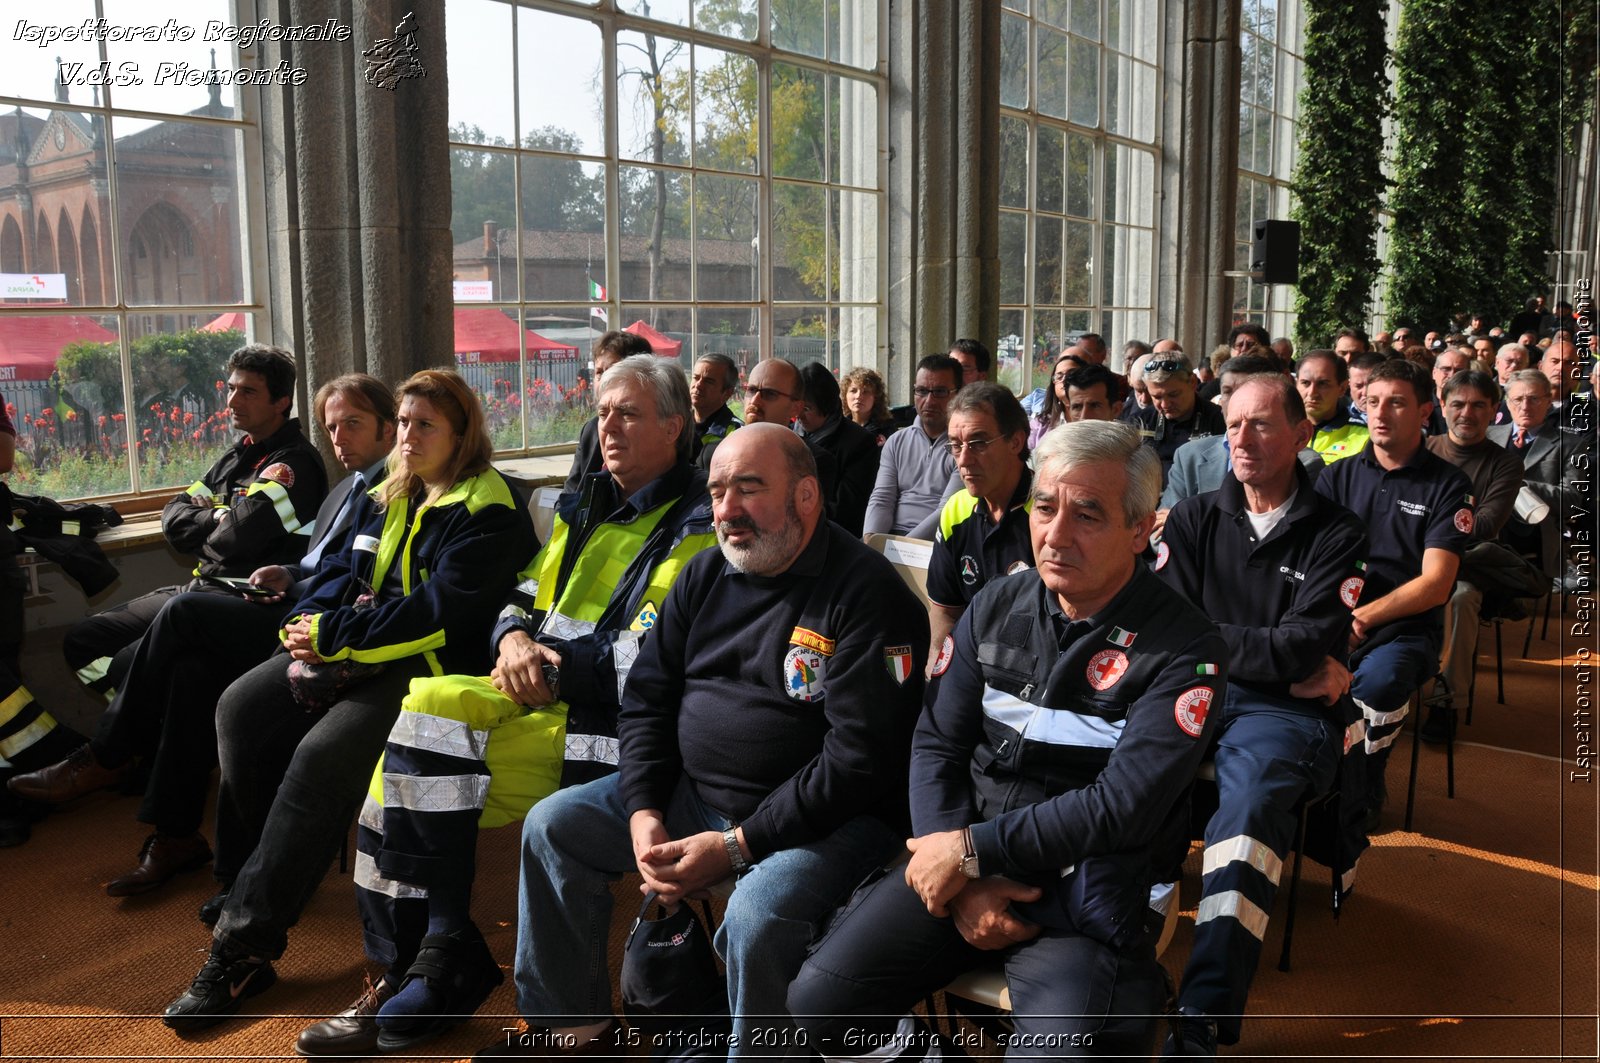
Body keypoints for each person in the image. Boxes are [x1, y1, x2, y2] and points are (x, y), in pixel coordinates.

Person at [293, 356, 720, 1057]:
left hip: (608, 732)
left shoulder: (699, 525)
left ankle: (435, 961)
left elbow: (659, 660)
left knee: (409, 769)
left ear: (674, 428)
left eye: (629, 414)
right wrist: (515, 635)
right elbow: (522, 593)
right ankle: (422, 957)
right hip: (538, 698)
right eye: (603, 412)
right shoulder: (585, 501)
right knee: (422, 712)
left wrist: (549, 667)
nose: (607, 426)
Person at [475, 423, 928, 1060]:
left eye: (749, 488)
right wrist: (643, 811)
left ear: (806, 497)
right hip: (696, 798)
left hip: (830, 823)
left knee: (756, 917)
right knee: (555, 826)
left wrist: (737, 847)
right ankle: (573, 1032)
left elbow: (859, 762)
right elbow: (648, 701)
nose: (727, 510)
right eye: (717, 491)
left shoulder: (867, 594)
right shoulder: (705, 574)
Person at [787, 420, 1228, 1062]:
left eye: (1088, 515)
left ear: (1141, 529)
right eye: (1045, 508)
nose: (1055, 534)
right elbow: (936, 742)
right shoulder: (996, 603)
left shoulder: (1186, 649)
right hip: (965, 864)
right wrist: (962, 874)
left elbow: (1121, 807)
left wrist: (968, 852)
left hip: (1084, 892)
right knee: (817, 1007)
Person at [160, 369, 536, 1031]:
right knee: (240, 709)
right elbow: (335, 574)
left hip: (425, 673)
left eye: (427, 426)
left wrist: (332, 638)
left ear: (461, 434)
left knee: (320, 759)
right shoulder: (391, 490)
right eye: (408, 423)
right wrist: (298, 628)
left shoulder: (490, 507)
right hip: (352, 651)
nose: (410, 437)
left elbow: (435, 617)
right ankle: (261, 872)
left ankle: (244, 945)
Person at [10, 375, 397, 898]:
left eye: (352, 424)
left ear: (389, 428)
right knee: (188, 673)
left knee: (184, 614)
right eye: (332, 426)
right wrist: (287, 571)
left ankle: (109, 754)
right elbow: (188, 517)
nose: (338, 437)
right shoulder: (340, 488)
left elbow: (352, 578)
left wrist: (291, 583)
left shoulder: (379, 489)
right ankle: (175, 837)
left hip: (308, 625)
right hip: (273, 596)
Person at [1154, 374, 1368, 1056]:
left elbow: (1302, 646)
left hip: (1284, 716)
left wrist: (1224, 642)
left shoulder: (1338, 530)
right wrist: (1270, 650)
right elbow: (1170, 632)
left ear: (1303, 433)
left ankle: (1202, 1021)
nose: (1241, 440)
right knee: (1112, 768)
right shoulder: (1193, 518)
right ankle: (1106, 970)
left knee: (1245, 816)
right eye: (1232, 424)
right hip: (1201, 692)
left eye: (1261, 424)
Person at [62, 344, 328, 703]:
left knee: (128, 664)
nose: (232, 401)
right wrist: (217, 517)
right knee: (83, 640)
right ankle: (136, 724)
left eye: (248, 392)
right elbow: (173, 517)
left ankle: (129, 733)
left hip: (241, 597)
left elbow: (233, 541)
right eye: (231, 389)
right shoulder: (237, 457)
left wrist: (209, 523)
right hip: (200, 585)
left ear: (281, 402)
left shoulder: (290, 465)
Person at [1315, 359, 1473, 830]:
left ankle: (1361, 781)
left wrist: (1361, 619)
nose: (1380, 412)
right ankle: (1316, 778)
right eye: (1372, 401)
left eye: (1397, 402)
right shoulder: (1335, 477)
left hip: (1404, 630)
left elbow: (1436, 584)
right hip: (1329, 620)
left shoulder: (1448, 485)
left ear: (1425, 411)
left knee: (1378, 683)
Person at [1421, 370, 1524, 742]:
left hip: (1463, 565)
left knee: (1461, 598)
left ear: (1494, 410)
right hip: (1406, 558)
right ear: (1441, 406)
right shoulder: (1422, 450)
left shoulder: (1506, 464)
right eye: (1458, 404)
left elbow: (1485, 525)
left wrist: (1422, 522)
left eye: (1479, 405)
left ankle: (1446, 700)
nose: (1467, 413)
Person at [926, 383, 1032, 673]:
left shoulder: (1050, 514)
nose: (963, 459)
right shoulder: (956, 510)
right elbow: (945, 611)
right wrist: (940, 675)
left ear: (1016, 441)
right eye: (955, 445)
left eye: (978, 443)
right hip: (969, 666)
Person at [1489, 370, 1589, 587]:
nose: (1525, 406)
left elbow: (1572, 499)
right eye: (1518, 399)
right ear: (1507, 402)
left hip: (1535, 529)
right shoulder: (1488, 436)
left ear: (1548, 402)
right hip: (1487, 523)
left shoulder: (1571, 445)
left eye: (1533, 399)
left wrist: (1519, 486)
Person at [863, 354, 961, 538]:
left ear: (958, 394)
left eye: (940, 392)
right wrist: (872, 541)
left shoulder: (965, 447)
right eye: (922, 391)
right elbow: (882, 499)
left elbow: (946, 511)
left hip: (936, 542)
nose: (929, 401)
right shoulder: (896, 441)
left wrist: (901, 551)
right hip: (891, 539)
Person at [796, 361, 881, 536]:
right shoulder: (789, 435)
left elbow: (846, 510)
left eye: (806, 408)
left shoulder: (859, 443)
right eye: (797, 406)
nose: (799, 415)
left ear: (826, 406)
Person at [561, 330, 653, 493]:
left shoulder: (655, 427)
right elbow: (570, 493)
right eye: (599, 373)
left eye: (611, 371)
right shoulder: (591, 430)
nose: (603, 380)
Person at [1133, 354, 1226, 484]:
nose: (1165, 405)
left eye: (1173, 395)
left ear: (1193, 382)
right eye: (1157, 397)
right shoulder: (1141, 422)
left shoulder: (1218, 420)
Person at [1294, 349, 1370, 463]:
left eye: (1323, 384)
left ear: (1342, 388)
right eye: (1305, 383)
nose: (1312, 392)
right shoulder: (1282, 431)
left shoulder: (1364, 437)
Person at [688, 353, 743, 464]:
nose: (698, 385)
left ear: (727, 393)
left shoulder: (738, 433)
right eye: (696, 378)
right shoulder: (676, 424)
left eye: (708, 382)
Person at [1029, 351, 1086, 446]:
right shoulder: (1040, 424)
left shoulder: (1096, 418)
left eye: (1071, 374)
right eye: (1059, 376)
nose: (1064, 380)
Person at [841, 365, 897, 444]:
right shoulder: (838, 428)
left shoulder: (886, 429)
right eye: (853, 391)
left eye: (865, 392)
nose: (858, 396)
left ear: (876, 397)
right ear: (845, 395)